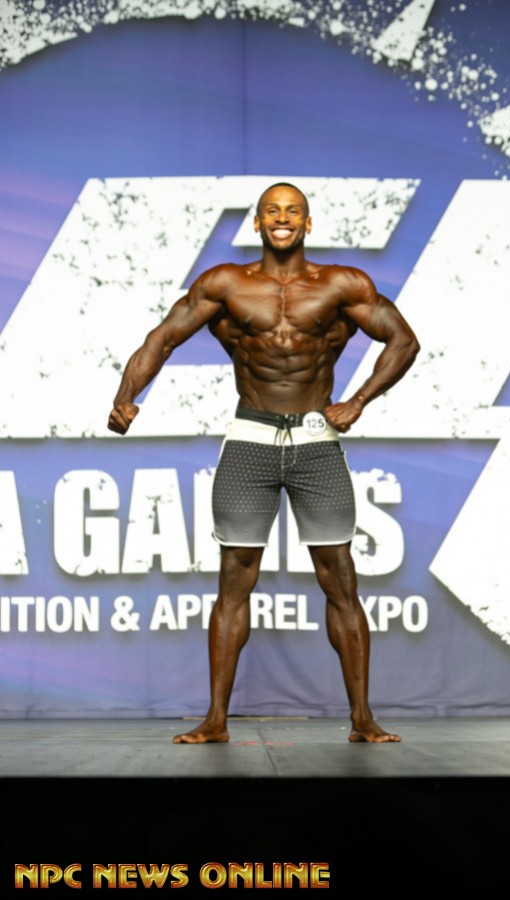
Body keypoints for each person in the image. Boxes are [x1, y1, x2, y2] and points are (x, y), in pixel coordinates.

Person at [108, 182, 420, 743]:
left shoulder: (341, 284)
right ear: (257, 223)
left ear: (307, 223)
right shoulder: (225, 284)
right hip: (250, 438)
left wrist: (358, 400)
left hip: (316, 441)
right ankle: (216, 721)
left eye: (293, 211)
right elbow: (163, 337)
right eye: (272, 211)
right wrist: (126, 396)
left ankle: (362, 719)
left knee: (340, 578)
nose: (282, 218)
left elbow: (404, 341)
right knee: (234, 579)